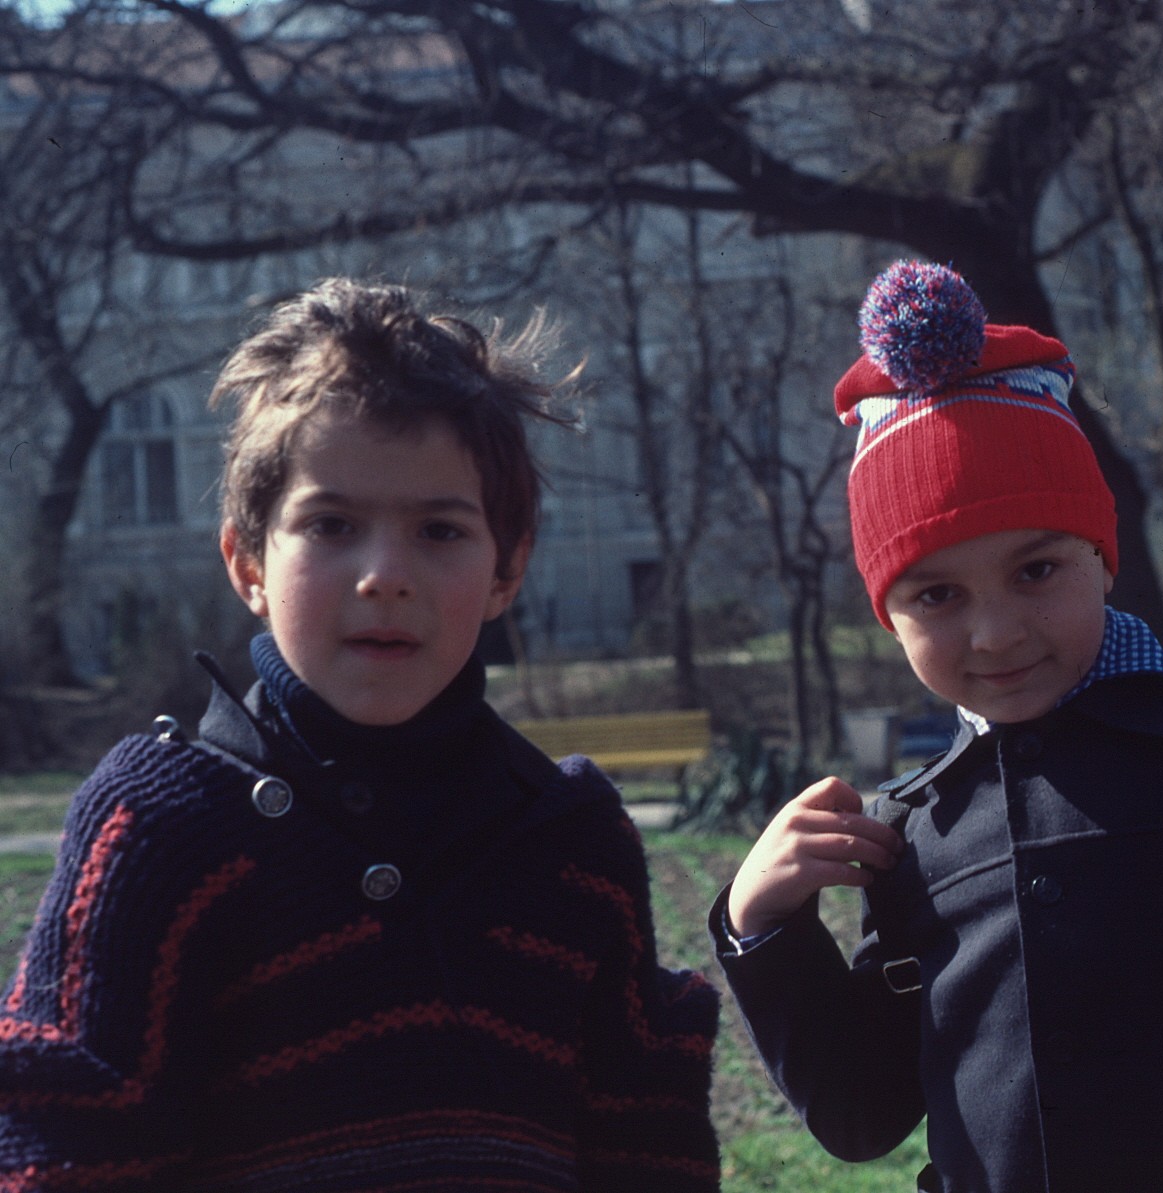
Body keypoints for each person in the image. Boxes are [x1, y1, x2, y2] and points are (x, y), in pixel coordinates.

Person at [0, 279, 720, 1190]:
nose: (384, 574)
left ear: (507, 569)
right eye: (332, 525)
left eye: (439, 530)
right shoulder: (158, 828)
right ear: (248, 562)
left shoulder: (574, 845)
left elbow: (644, 1149)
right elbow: (63, 1150)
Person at [710, 261, 1163, 1193]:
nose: (994, 633)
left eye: (1035, 571)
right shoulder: (910, 832)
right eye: (936, 595)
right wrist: (760, 923)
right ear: (887, 617)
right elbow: (864, 1112)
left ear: (1102, 557)